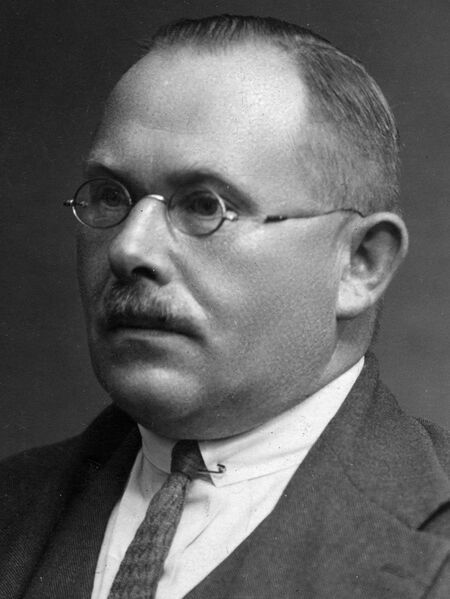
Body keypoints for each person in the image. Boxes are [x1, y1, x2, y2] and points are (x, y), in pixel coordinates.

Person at [1, 13, 450, 599]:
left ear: (359, 263)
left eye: (204, 205)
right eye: (111, 196)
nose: (129, 248)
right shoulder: (15, 505)